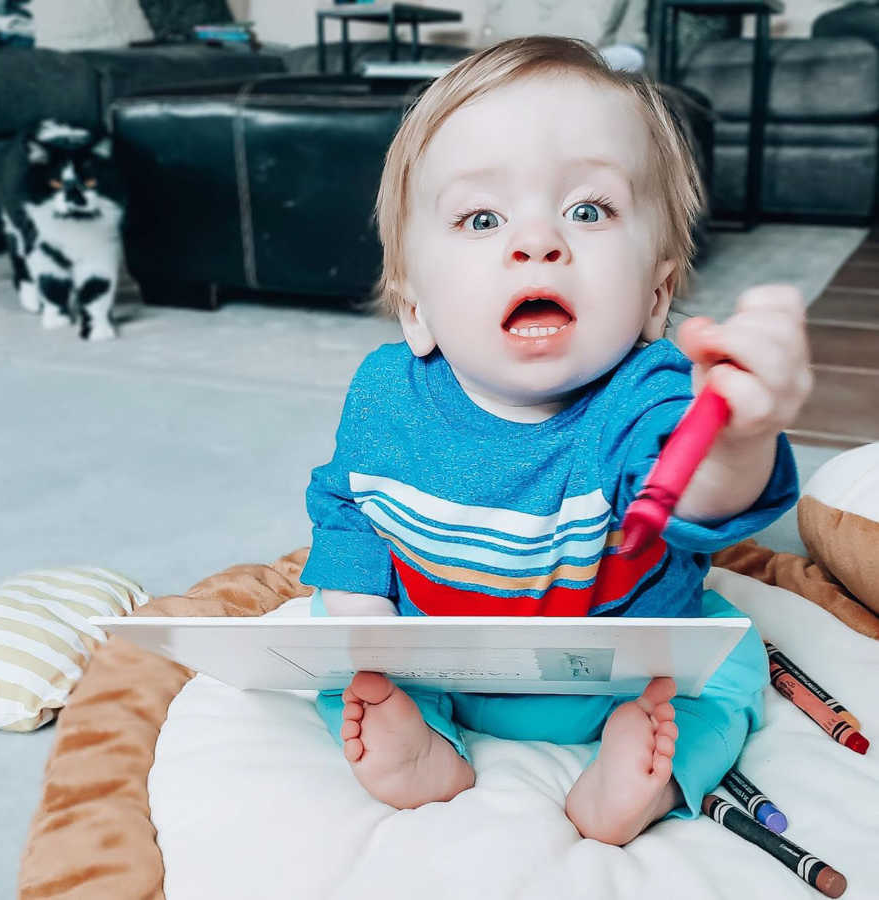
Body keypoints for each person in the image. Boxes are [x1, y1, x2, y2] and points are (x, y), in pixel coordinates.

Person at [299, 35, 811, 845]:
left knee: (732, 661)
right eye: (481, 217)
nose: (537, 242)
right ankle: (424, 752)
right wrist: (366, 624)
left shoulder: (649, 394)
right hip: (442, 662)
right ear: (416, 311)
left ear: (656, 295)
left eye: (588, 210)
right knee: (332, 646)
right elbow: (348, 510)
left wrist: (738, 435)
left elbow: (690, 487)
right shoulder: (385, 395)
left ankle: (637, 777)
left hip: (622, 676)